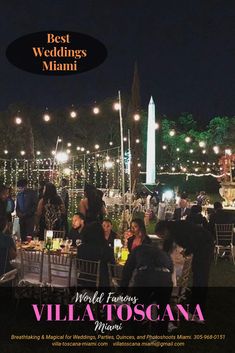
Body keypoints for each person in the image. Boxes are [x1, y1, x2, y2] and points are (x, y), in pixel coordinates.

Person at [155, 221, 214, 313]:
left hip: (205, 246)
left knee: (200, 276)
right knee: (197, 273)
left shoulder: (179, 229)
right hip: (199, 245)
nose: (163, 238)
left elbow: (193, 243)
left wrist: (186, 252)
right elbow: (167, 247)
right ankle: (195, 301)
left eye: (162, 236)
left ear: (165, 230)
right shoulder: (172, 231)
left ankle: (198, 306)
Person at [121, 243, 173, 334]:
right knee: (163, 311)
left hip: (145, 279)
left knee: (137, 308)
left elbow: (127, 271)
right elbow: (171, 269)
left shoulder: (136, 250)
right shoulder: (163, 253)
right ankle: (163, 336)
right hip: (164, 280)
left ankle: (137, 336)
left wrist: (123, 290)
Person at [77, 222, 115, 287]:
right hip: (101, 282)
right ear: (101, 233)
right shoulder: (107, 249)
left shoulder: (81, 248)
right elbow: (112, 266)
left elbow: (78, 264)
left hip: (83, 280)